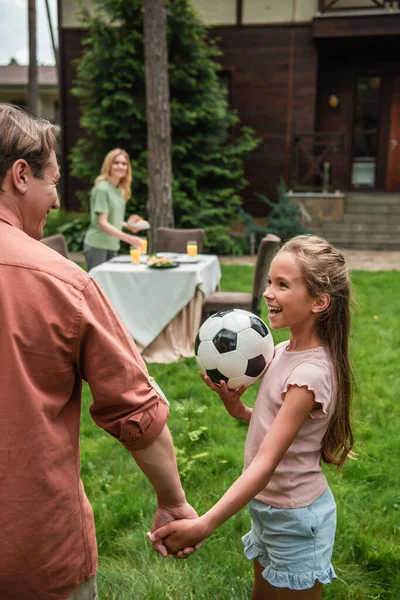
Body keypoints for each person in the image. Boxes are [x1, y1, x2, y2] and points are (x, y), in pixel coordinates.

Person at [0, 103, 198, 600]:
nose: (55, 198)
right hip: (33, 552)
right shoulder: (64, 283)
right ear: (21, 175)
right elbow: (135, 411)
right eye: (54, 182)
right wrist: (173, 501)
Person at [149, 234, 355, 600]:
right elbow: (275, 425)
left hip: (295, 518)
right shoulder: (277, 350)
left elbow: (264, 464)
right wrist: (237, 409)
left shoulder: (309, 376)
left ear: (319, 302)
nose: (267, 293)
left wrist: (205, 524)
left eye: (282, 285)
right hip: (267, 508)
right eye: (269, 282)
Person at [83, 148, 149, 271]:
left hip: (113, 245)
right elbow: (102, 223)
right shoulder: (102, 189)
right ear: (109, 165)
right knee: (98, 286)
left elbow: (113, 219)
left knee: (109, 286)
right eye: (116, 162)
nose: (120, 166)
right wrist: (130, 239)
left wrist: (129, 225)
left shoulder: (119, 190)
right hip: (97, 245)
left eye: (124, 163)